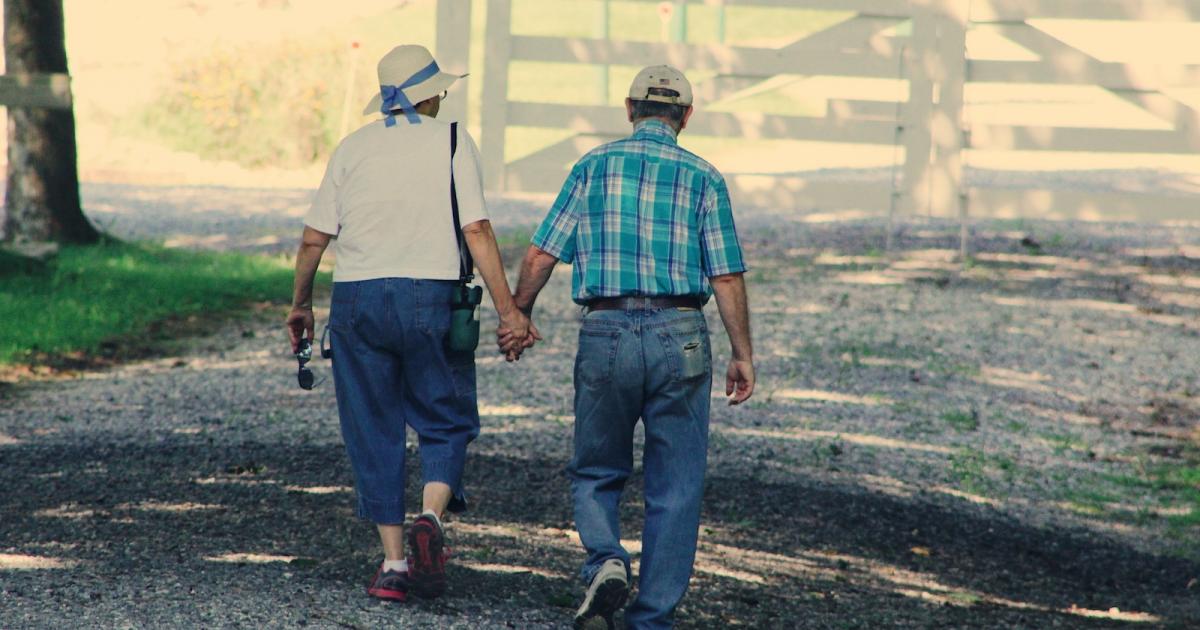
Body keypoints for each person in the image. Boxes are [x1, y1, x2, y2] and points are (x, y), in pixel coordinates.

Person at [505, 65, 755, 629]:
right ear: (686, 116)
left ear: (629, 109)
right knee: (677, 483)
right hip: (681, 331)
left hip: (607, 328)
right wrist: (743, 353)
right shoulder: (704, 178)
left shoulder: (591, 167)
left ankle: (605, 560)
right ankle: (652, 619)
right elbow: (727, 276)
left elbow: (543, 253)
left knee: (595, 468)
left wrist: (519, 313)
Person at [286, 44, 533, 604]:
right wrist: (509, 311)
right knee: (444, 417)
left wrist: (301, 303)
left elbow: (313, 238)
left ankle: (395, 564)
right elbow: (476, 230)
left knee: (373, 428)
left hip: (358, 300)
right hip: (431, 295)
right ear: (429, 94)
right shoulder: (451, 140)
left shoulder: (351, 147)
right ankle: (431, 516)